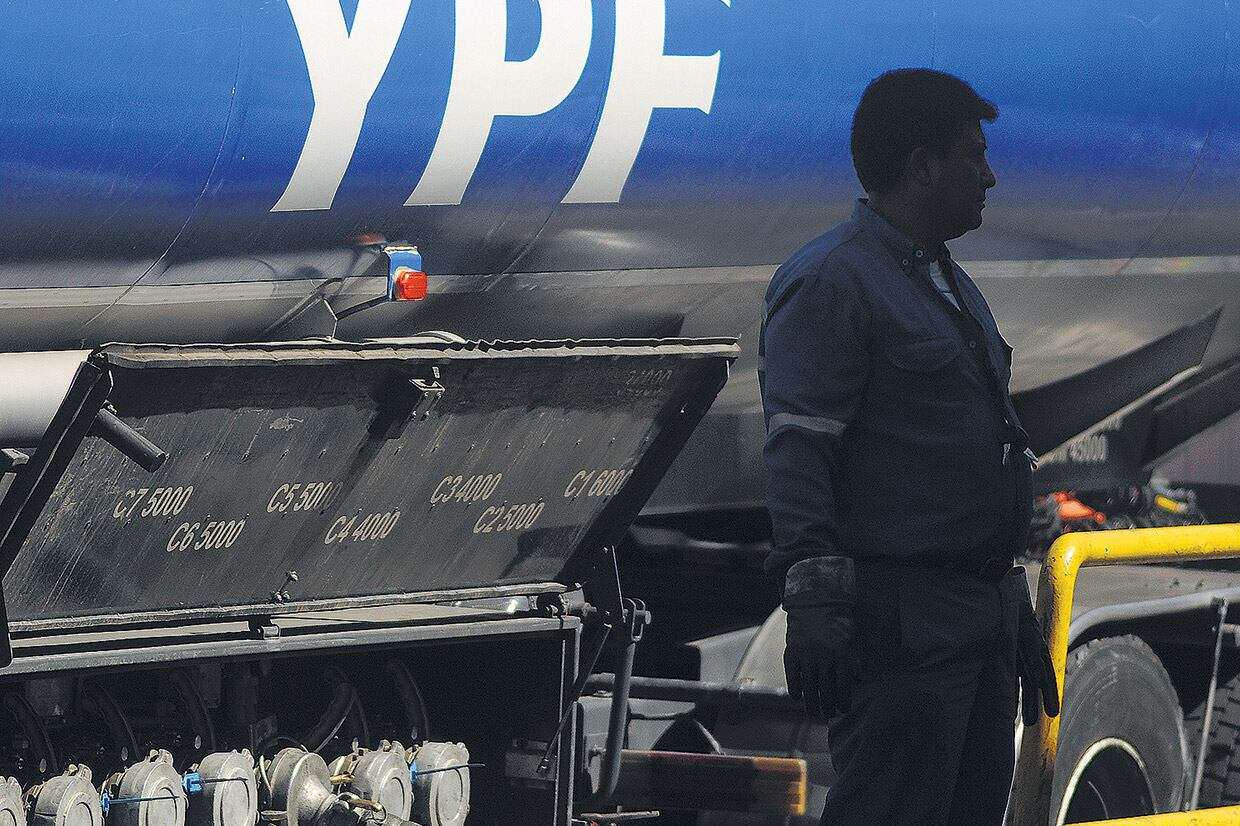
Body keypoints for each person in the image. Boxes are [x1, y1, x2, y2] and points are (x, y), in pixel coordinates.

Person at [759, 69, 1060, 825]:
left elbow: (979, 445)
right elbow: (800, 453)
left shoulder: (946, 281)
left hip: (975, 626)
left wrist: (1010, 604)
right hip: (907, 635)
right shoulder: (833, 282)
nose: (990, 176)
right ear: (922, 166)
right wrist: (815, 603)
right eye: (973, 155)